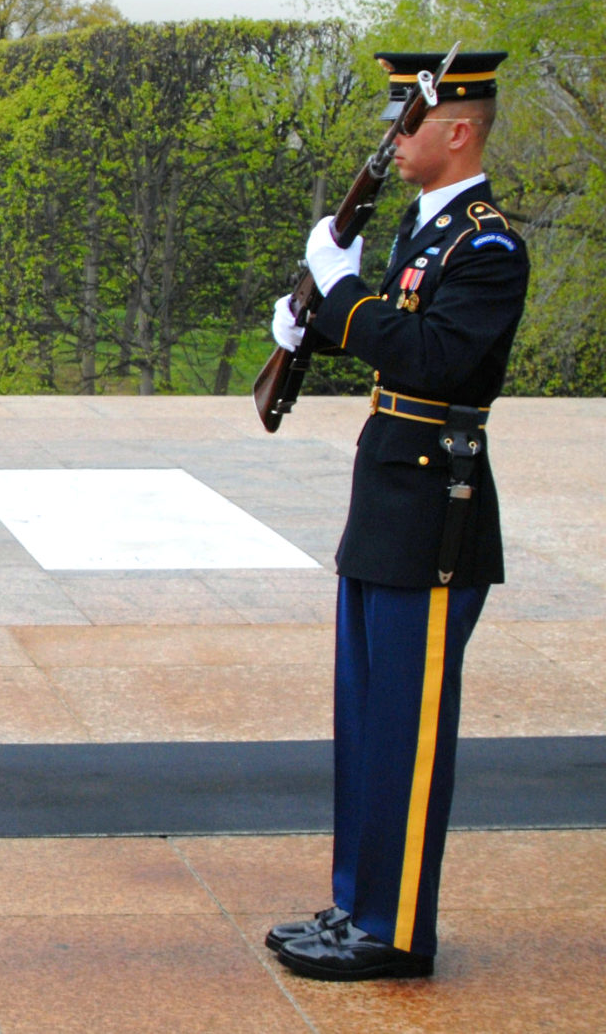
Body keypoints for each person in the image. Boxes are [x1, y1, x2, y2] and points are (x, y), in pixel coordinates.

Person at [265, 49, 526, 981]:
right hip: (386, 508)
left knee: (408, 738)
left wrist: (341, 297)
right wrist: (316, 321)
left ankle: (398, 928)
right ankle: (356, 906)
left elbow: (435, 358)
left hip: (435, 518)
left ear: (459, 130)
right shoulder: (425, 232)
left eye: (407, 124)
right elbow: (394, 337)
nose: (394, 139)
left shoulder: (486, 244)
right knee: (369, 722)